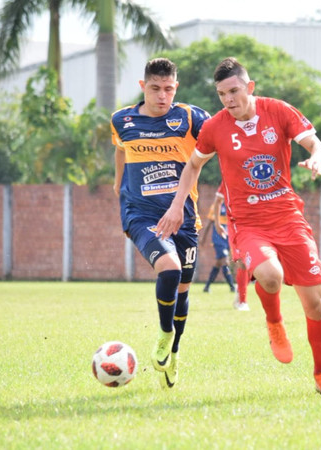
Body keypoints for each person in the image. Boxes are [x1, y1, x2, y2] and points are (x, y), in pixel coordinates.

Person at [157, 57, 321, 398]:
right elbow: (193, 165)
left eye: (234, 91)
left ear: (250, 87)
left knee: (315, 304)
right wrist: (176, 205)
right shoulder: (215, 127)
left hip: (289, 217)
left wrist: (317, 157)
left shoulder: (279, 111)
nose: (228, 99)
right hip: (248, 222)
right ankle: (274, 323)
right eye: (221, 94)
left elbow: (316, 144)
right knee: (269, 275)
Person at [111, 57, 211, 389]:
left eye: (168, 89)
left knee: (183, 289)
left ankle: (174, 352)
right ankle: (164, 332)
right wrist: (118, 183)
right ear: (143, 87)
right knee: (169, 270)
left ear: (176, 88)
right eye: (155, 89)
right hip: (141, 215)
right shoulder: (121, 119)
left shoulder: (190, 117)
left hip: (184, 217)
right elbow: (121, 150)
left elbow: (222, 136)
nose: (162, 96)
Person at [212, 185, 251, 311]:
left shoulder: (255, 181)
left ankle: (241, 289)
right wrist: (217, 224)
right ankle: (242, 300)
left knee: (255, 265)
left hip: (257, 225)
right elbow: (218, 201)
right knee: (243, 262)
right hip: (237, 227)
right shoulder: (230, 178)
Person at [201, 189, 237, 295]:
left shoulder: (232, 205)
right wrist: (203, 238)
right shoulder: (217, 205)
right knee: (225, 260)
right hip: (218, 236)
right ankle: (232, 287)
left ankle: (207, 286)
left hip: (228, 236)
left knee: (219, 262)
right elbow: (209, 223)